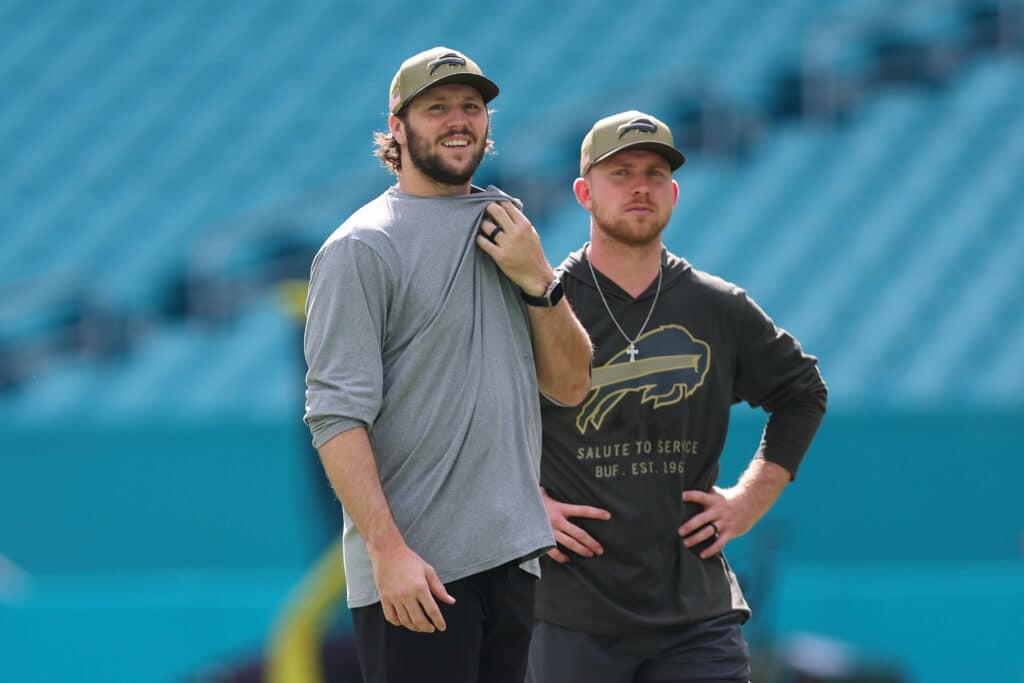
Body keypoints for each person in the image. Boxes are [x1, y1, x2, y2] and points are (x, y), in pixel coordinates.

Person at [302, 46, 592, 683]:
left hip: (513, 563)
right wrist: (387, 552)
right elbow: (334, 418)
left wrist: (540, 279)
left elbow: (571, 385)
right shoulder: (361, 247)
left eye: (472, 106)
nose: (459, 120)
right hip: (418, 577)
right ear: (398, 127)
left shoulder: (509, 228)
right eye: (437, 108)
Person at [527, 111, 828, 683]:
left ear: (674, 193)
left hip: (696, 615)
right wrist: (518, 502)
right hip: (567, 615)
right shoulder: (541, 305)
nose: (641, 186)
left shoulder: (717, 307)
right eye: (621, 173)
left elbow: (802, 391)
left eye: (655, 172)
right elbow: (467, 414)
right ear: (584, 192)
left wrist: (747, 500)